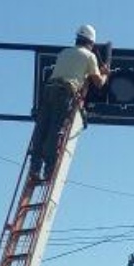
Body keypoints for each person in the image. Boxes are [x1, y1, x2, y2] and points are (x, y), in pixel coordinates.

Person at [29, 24, 109, 180]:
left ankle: (35, 166)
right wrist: (105, 74)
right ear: (91, 43)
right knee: (55, 130)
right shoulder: (90, 56)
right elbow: (98, 83)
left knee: (42, 129)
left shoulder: (64, 53)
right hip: (64, 93)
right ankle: (49, 169)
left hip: (48, 90)